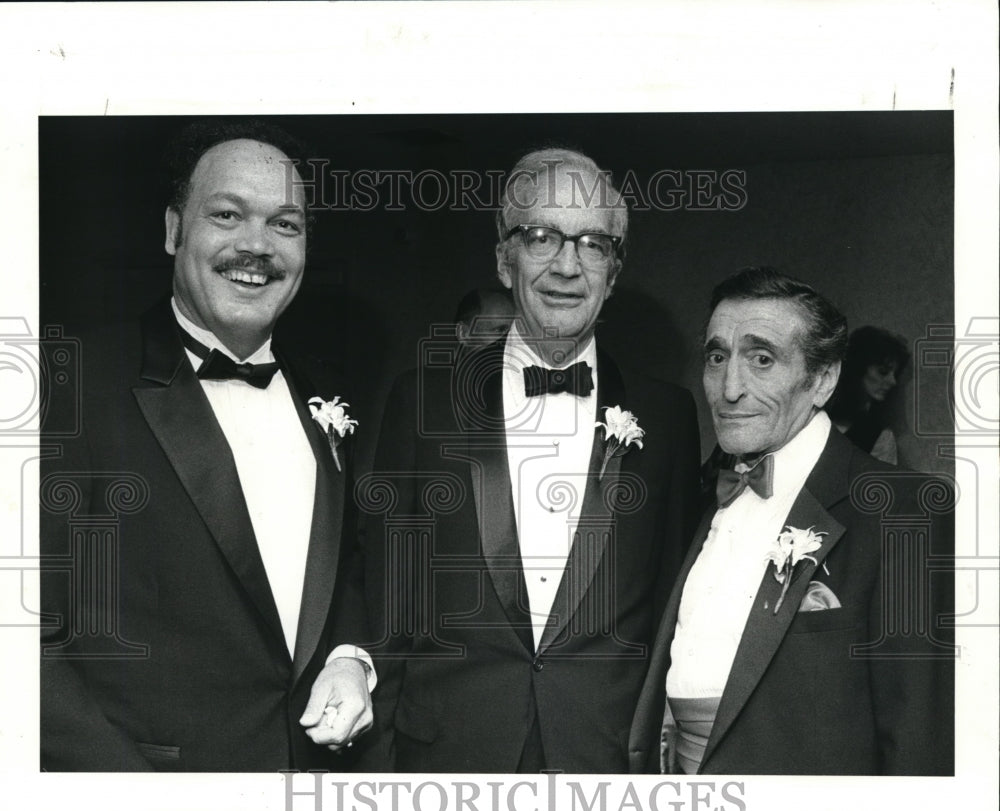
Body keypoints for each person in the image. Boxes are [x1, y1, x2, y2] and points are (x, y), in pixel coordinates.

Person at [40, 120, 374, 771]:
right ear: (173, 229)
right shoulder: (69, 382)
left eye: (285, 224)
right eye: (227, 214)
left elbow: (349, 568)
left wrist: (349, 657)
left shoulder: (326, 393)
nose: (258, 245)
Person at [359, 148, 701, 773]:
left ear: (615, 270)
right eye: (542, 236)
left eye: (593, 243)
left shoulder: (670, 416)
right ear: (503, 258)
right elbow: (382, 594)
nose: (568, 265)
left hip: (603, 761)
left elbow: (670, 608)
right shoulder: (422, 400)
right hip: (446, 760)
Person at [628, 267, 954, 775]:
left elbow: (918, 738)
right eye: (717, 357)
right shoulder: (699, 493)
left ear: (822, 380)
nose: (729, 388)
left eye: (762, 359)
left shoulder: (901, 510)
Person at [825, 325, 910, 464]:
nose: (893, 381)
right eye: (883, 371)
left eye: (895, 374)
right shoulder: (814, 415)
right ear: (858, 368)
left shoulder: (880, 438)